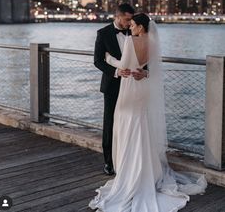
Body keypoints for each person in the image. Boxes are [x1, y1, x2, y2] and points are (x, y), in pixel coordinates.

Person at [89, 13, 207, 211]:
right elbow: (154, 69)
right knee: (142, 126)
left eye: (133, 25)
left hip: (129, 89)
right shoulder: (153, 42)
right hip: (143, 87)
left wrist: (109, 59)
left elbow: (124, 65)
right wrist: (145, 72)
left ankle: (130, 171)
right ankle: (147, 170)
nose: (130, 28)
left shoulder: (129, 41)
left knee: (126, 126)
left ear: (141, 27)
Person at [94, 4, 148, 176]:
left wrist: (145, 73)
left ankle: (128, 160)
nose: (128, 23)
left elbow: (147, 62)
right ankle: (109, 162)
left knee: (131, 123)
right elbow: (97, 61)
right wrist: (116, 71)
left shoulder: (136, 34)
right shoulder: (103, 33)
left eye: (131, 20)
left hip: (134, 87)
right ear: (117, 16)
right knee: (110, 124)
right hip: (112, 85)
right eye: (126, 20)